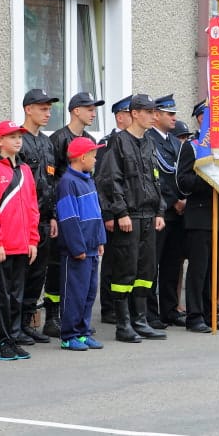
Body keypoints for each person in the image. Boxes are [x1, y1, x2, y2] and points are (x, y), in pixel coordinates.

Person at [96, 94, 167, 342]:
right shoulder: (118, 142)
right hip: (130, 216)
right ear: (135, 113)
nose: (153, 116)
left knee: (146, 270)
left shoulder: (149, 142)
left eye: (154, 112)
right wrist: (121, 212)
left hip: (149, 215)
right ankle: (123, 324)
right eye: (149, 112)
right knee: (125, 270)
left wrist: (160, 211)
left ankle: (140, 320)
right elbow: (110, 179)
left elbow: (156, 178)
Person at [45, 92, 105, 336]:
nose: (93, 113)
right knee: (59, 267)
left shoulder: (89, 139)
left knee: (83, 281)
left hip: (84, 213)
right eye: (89, 109)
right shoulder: (59, 138)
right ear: (75, 111)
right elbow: (51, 178)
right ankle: (52, 315)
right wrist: (52, 213)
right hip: (65, 210)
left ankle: (78, 324)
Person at [0, 121, 39, 360]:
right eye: (12, 136)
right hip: (2, 247)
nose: (18, 140)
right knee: (0, 297)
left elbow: (32, 207)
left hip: (21, 245)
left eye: (19, 136)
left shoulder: (24, 170)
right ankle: (1, 342)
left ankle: (13, 338)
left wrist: (33, 239)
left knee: (16, 296)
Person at [176, 129, 219, 333]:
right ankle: (194, 316)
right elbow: (182, 181)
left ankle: (211, 313)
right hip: (201, 217)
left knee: (216, 269)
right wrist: (209, 179)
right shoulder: (193, 147)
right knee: (199, 270)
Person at [56, 137, 106, 351]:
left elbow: (97, 213)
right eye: (93, 155)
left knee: (88, 292)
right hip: (78, 251)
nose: (96, 159)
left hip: (92, 248)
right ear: (82, 157)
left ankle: (83, 332)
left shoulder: (88, 179)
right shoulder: (68, 182)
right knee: (74, 293)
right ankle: (69, 335)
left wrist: (100, 239)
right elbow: (69, 219)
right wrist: (78, 248)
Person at [17, 88, 58, 345]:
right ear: (28, 109)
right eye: (42, 108)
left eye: (49, 109)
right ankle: (16, 325)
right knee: (21, 274)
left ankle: (27, 322)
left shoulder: (46, 142)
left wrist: (52, 215)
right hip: (23, 219)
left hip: (43, 218)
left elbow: (51, 181)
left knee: (37, 275)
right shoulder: (17, 139)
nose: (47, 113)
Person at [148, 94, 187, 327]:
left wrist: (183, 200)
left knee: (173, 264)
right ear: (156, 116)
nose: (174, 118)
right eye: (169, 114)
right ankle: (151, 313)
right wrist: (173, 201)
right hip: (161, 211)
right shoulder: (149, 140)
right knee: (153, 265)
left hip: (178, 212)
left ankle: (170, 309)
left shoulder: (174, 141)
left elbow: (180, 174)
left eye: (174, 114)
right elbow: (157, 179)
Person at [96, 95, 132, 325]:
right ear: (120, 117)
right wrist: (108, 213)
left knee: (129, 262)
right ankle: (108, 308)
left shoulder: (138, 142)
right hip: (114, 214)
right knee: (112, 262)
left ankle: (127, 307)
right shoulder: (109, 143)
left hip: (132, 212)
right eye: (131, 113)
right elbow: (103, 180)